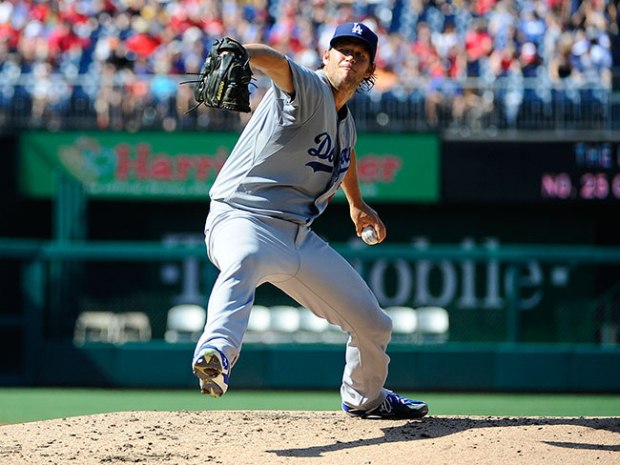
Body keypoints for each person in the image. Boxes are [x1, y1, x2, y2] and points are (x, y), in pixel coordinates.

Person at [192, 22, 429, 420]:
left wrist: (357, 204)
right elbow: (276, 62)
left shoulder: (346, 122)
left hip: (297, 238)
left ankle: (365, 398)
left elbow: (346, 154)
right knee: (244, 261)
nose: (350, 58)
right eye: (343, 50)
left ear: (370, 70)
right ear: (327, 56)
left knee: (373, 325)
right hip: (241, 216)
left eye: (360, 54)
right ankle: (215, 353)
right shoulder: (310, 88)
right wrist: (240, 52)